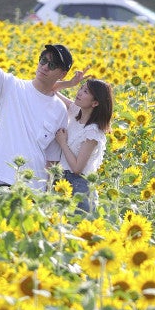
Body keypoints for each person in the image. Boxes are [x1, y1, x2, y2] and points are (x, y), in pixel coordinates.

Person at [0, 23, 74, 210]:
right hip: (0, 178)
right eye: (43, 60)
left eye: (52, 65)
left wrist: (47, 195)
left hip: (34, 187)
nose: (44, 66)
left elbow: (51, 159)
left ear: (62, 73)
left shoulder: (60, 109)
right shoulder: (12, 86)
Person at [54, 77, 114, 214]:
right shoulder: (76, 112)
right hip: (61, 180)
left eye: (86, 91)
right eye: (81, 88)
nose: (79, 92)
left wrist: (62, 143)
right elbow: (52, 89)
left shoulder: (92, 132)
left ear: (95, 103)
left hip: (79, 187)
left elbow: (77, 168)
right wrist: (69, 83)